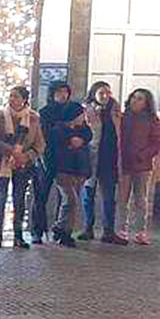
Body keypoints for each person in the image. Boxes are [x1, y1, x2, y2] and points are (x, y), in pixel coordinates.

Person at [0, 86, 44, 249]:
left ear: (24, 100)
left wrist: (26, 157)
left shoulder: (33, 118)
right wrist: (12, 151)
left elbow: (40, 144)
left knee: (19, 199)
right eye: (11, 96)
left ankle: (18, 235)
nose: (12, 99)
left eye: (16, 96)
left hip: (23, 165)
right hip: (2, 162)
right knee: (0, 198)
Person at [38, 81, 91, 247]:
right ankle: (49, 230)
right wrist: (70, 133)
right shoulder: (46, 112)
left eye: (65, 92)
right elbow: (50, 135)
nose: (62, 95)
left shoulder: (76, 108)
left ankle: (62, 230)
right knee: (68, 198)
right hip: (56, 161)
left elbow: (87, 131)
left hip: (77, 162)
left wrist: (80, 138)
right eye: (59, 92)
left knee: (70, 200)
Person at [80, 81, 125, 244]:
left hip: (110, 157)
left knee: (108, 196)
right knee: (88, 194)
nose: (105, 96)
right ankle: (88, 228)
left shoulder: (116, 110)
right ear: (94, 94)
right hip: (92, 155)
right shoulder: (86, 110)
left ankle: (108, 231)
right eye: (101, 93)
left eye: (108, 92)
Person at [117, 88, 160, 245]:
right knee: (122, 197)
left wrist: (143, 155)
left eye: (140, 98)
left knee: (141, 198)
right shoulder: (123, 117)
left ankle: (141, 231)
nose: (136, 101)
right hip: (124, 163)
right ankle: (122, 229)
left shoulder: (152, 120)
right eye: (134, 97)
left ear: (147, 102)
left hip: (142, 164)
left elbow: (156, 142)